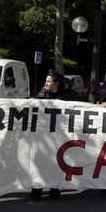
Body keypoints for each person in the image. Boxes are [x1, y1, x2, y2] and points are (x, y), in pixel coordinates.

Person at [31, 71, 76, 200]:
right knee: (40, 162)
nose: (46, 84)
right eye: (46, 81)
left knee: (55, 162)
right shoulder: (42, 94)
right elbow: (32, 106)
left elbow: (82, 107)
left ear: (57, 83)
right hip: (43, 136)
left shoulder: (68, 96)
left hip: (59, 136)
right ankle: (36, 190)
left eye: (49, 81)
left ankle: (54, 188)